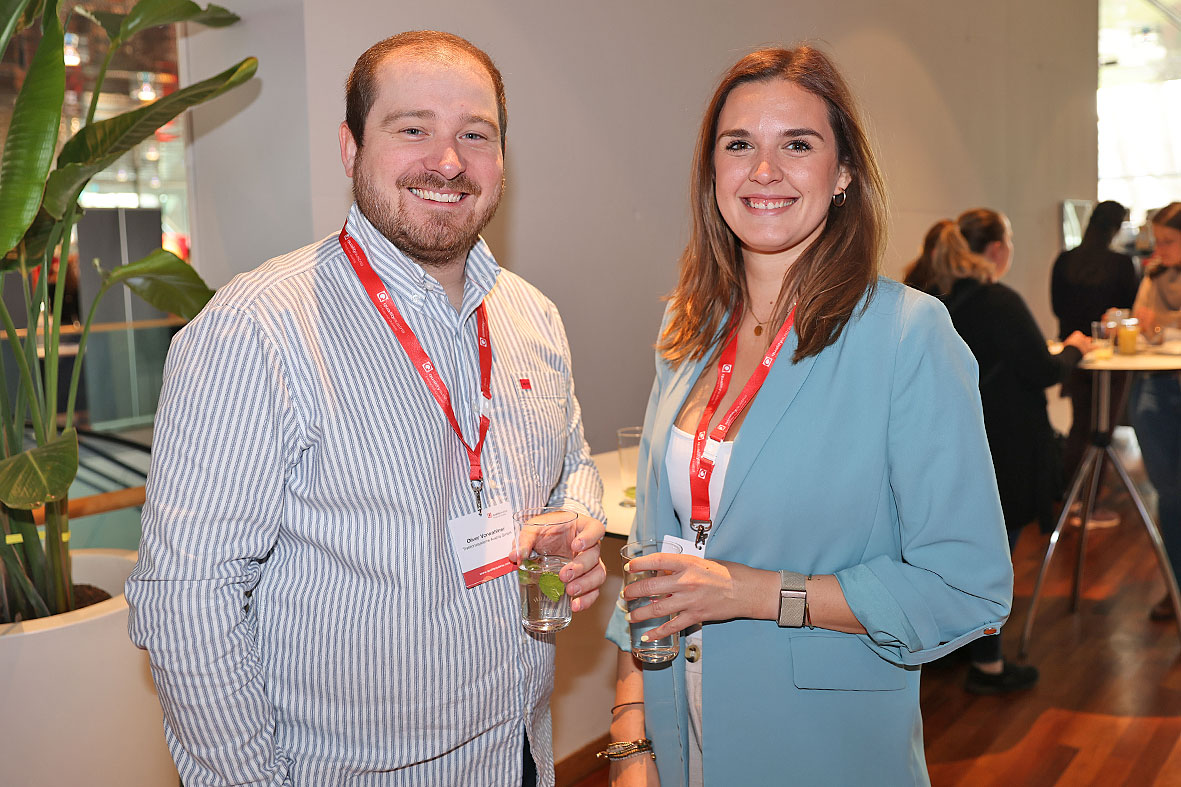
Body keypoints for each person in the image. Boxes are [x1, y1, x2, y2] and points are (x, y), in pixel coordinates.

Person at [125, 31, 607, 786]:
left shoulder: (532, 316)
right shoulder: (257, 327)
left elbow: (571, 460)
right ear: (351, 149)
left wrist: (575, 517)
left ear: (501, 159)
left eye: (474, 134)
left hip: (517, 750)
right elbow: (188, 600)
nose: (447, 161)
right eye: (412, 128)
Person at [602, 46, 1013, 786]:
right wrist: (630, 727)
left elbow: (966, 584)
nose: (764, 170)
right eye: (739, 145)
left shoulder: (907, 334)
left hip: (820, 746)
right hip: (676, 727)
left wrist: (755, 592)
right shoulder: (687, 328)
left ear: (843, 171)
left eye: (797, 144)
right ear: (712, 172)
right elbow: (651, 550)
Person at [905, 212, 1090, 695]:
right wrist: (1074, 349)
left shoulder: (921, 298)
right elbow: (1043, 370)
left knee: (941, 551)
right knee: (992, 555)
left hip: (931, 444)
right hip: (1000, 445)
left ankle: (947, 646)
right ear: (996, 250)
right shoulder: (998, 301)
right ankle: (987, 664)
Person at [1051, 200, 1139, 477]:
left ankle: (1070, 489)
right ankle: (1092, 494)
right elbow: (1130, 311)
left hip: (1074, 352)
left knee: (1080, 423)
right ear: (1116, 228)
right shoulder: (1122, 264)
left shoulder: (1065, 260)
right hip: (1111, 358)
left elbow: (1057, 307)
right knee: (1103, 427)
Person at [1130, 201, 1181, 622]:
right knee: (1171, 493)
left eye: (1168, 241)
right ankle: (1176, 585)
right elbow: (1140, 322)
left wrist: (1160, 323)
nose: (1158, 249)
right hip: (1158, 385)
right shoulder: (1153, 275)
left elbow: (1153, 323)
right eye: (1157, 240)